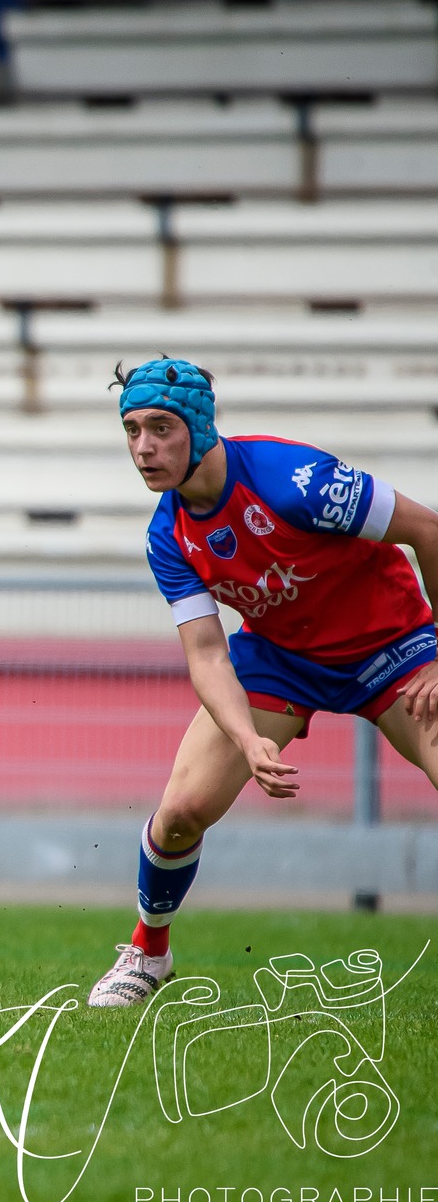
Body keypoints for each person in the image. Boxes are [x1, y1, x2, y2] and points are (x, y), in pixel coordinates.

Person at [87, 358, 438, 1008]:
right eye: (131, 429)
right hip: (282, 656)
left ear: (198, 425)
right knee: (182, 810)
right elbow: (208, 654)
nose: (143, 448)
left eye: (160, 428)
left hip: (393, 645)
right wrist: (247, 737)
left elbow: (428, 529)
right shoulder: (168, 534)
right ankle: (149, 951)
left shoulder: (294, 482)